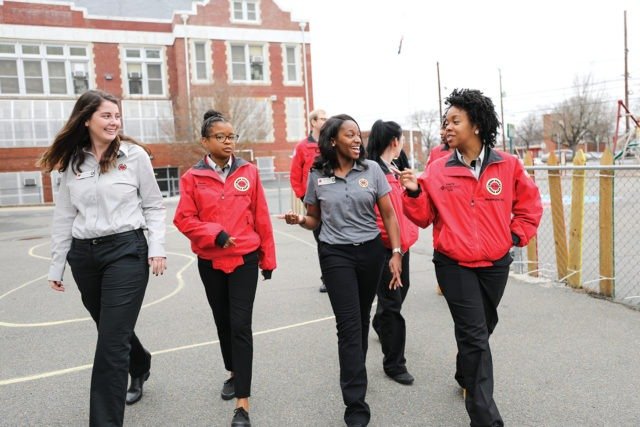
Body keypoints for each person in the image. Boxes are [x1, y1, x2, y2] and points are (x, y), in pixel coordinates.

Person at [400, 89, 542, 427]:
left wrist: (513, 237)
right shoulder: (437, 170)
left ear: (476, 125)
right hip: (454, 264)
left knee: (483, 327)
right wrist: (414, 192)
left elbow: (530, 206)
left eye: (455, 121)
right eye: (445, 122)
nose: (447, 127)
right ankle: (485, 418)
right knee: (475, 335)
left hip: (495, 264)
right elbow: (423, 218)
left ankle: (465, 371)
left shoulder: (508, 166)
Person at [40, 89, 167, 427]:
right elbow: (64, 215)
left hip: (126, 250)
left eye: (116, 115)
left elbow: (154, 205)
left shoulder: (134, 156)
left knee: (110, 344)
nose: (114, 121)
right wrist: (58, 263)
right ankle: (139, 362)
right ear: (86, 120)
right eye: (106, 116)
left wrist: (157, 247)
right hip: (84, 256)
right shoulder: (72, 162)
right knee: (111, 328)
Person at [281, 114, 402, 427]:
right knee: (348, 326)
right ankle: (355, 404)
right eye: (350, 135)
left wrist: (397, 252)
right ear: (333, 140)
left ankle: (355, 373)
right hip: (335, 255)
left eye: (358, 135)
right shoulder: (317, 174)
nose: (357, 140)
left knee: (361, 320)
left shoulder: (372, 169)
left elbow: (388, 215)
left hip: (371, 253)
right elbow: (314, 219)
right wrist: (300, 221)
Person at [173, 110, 276, 427]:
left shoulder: (249, 172)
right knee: (223, 322)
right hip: (211, 261)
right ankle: (233, 372)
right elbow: (184, 219)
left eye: (232, 136)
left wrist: (267, 258)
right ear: (205, 141)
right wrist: (214, 234)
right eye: (221, 137)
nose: (228, 142)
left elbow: (261, 216)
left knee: (241, 325)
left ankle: (242, 404)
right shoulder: (192, 178)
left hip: (244, 259)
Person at [366, 120, 419, 386]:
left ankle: (381, 322)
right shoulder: (373, 171)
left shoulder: (397, 169)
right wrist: (391, 245)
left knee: (399, 295)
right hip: (387, 249)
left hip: (403, 246)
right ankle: (394, 363)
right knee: (393, 305)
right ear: (395, 142)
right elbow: (380, 215)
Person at [289, 108, 329, 292]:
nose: (326, 121)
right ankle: (327, 278)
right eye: (322, 118)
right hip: (314, 203)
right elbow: (295, 175)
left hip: (333, 200)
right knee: (322, 241)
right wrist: (304, 196)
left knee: (336, 240)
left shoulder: (332, 143)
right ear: (313, 122)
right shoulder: (302, 147)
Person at [428, 115, 451, 296]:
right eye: (442, 127)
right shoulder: (436, 152)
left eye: (447, 127)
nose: (444, 131)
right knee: (440, 241)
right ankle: (443, 282)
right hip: (441, 205)